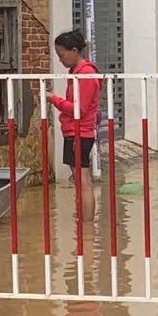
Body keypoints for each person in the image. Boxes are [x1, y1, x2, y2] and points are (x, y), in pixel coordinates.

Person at [45, 30, 102, 210]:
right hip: (74, 132)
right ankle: (85, 229)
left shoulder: (85, 74)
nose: (60, 60)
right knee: (80, 182)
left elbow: (79, 109)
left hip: (79, 133)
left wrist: (54, 99)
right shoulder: (76, 72)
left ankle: (87, 231)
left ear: (74, 50)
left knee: (83, 183)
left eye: (62, 55)